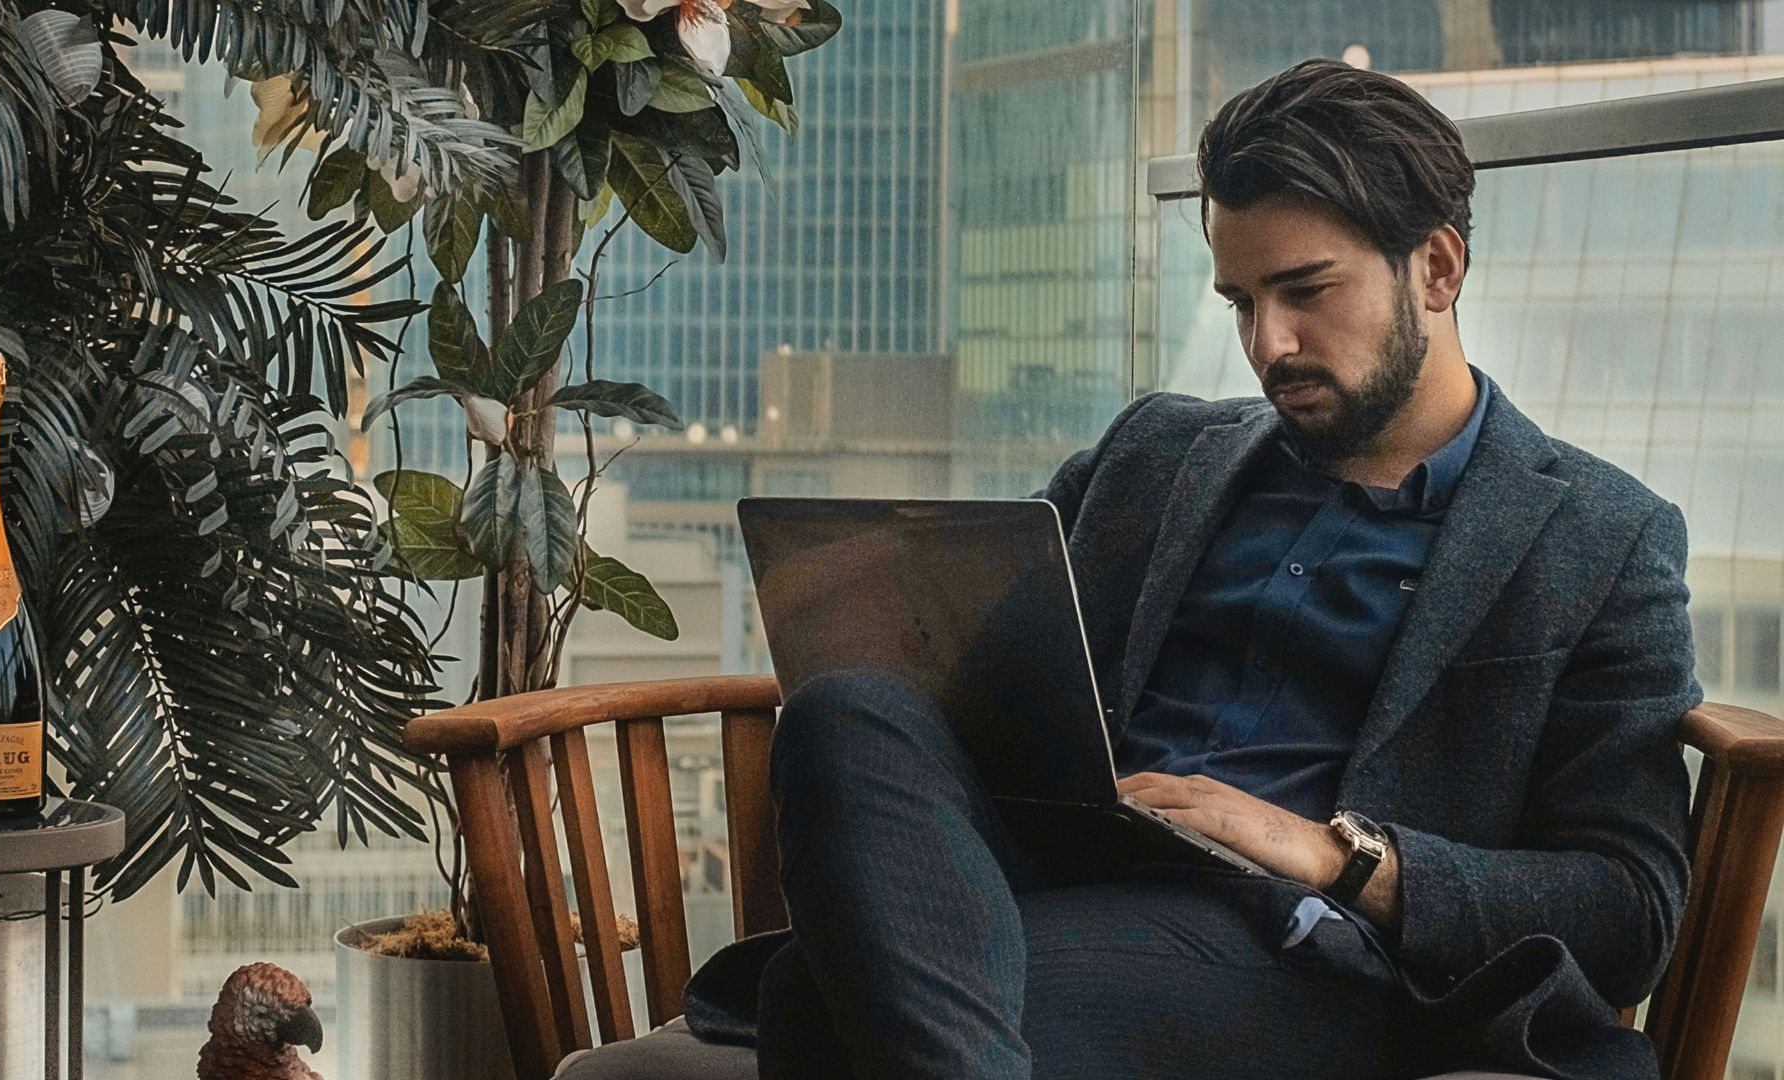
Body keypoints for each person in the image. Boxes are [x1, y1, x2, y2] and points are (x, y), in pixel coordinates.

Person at [558, 57, 1700, 1080]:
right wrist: (887, 629)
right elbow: (978, 690)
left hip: (1304, 956)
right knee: (847, 709)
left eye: (1306, 291)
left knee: (820, 1002)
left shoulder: (1599, 538)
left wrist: (1337, 856)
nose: (1268, 346)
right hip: (1049, 881)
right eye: (1241, 303)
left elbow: (1629, 905)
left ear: (1437, 268)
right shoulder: (1157, 454)